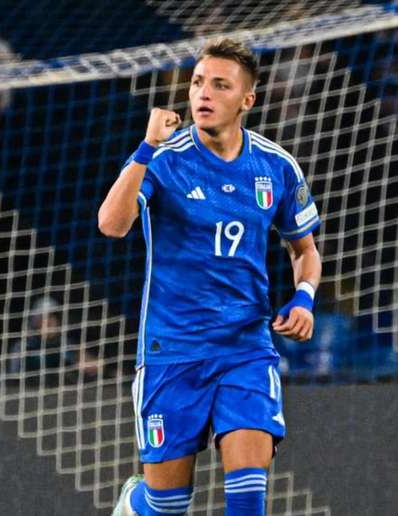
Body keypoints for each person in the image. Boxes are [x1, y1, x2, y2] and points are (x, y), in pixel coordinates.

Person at [98, 38, 322, 516]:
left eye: (220, 85)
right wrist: (145, 147)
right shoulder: (163, 157)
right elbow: (111, 226)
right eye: (198, 82)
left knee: (247, 500)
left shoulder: (276, 166)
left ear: (247, 100)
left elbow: (305, 250)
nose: (203, 94)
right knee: (167, 505)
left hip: (245, 348)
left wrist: (303, 296)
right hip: (172, 351)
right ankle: (136, 503)